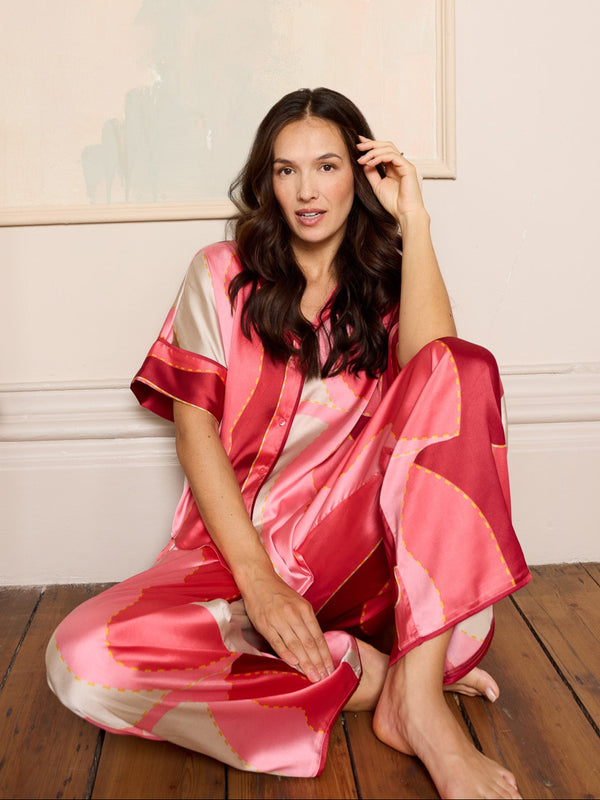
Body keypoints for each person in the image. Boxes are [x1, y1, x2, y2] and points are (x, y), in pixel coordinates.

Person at [46, 87, 531, 799]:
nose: (307, 190)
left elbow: (444, 382)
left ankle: (422, 709)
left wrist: (417, 223)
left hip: (366, 557)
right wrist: (261, 583)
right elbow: (194, 431)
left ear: (360, 176)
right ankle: (379, 677)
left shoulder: (390, 280)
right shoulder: (217, 274)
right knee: (82, 658)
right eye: (285, 170)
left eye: (328, 166)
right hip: (236, 555)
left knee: (466, 365)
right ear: (265, 182)